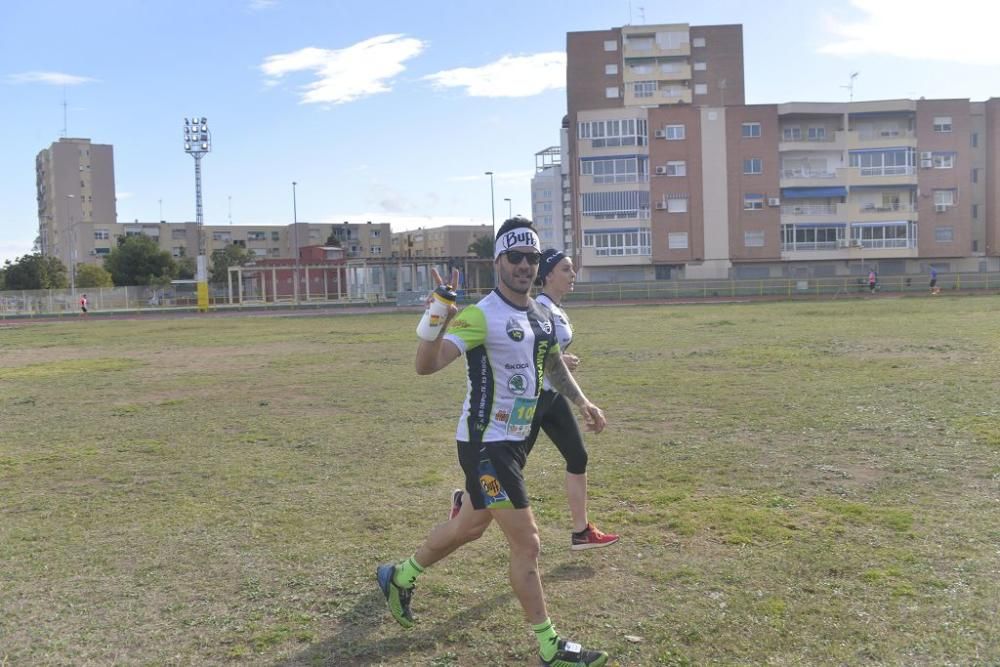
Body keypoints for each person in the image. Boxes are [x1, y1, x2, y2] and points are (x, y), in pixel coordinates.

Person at [377, 217, 610, 667]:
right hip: (487, 445)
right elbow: (426, 366)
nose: (525, 265)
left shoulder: (540, 314)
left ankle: (399, 574)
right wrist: (436, 317)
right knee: (529, 543)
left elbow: (553, 362)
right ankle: (550, 647)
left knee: (470, 526)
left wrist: (582, 402)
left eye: (532, 258)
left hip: (515, 443)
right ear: (498, 261)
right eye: (516, 257)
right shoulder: (481, 315)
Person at [451, 248, 618, 549]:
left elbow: (547, 355)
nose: (572, 275)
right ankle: (466, 502)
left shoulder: (554, 309)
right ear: (549, 274)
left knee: (577, 455)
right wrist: (550, 361)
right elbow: (520, 353)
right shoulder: (532, 308)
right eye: (566, 269)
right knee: (507, 471)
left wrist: (574, 387)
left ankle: (581, 531)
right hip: (529, 400)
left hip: (552, 397)